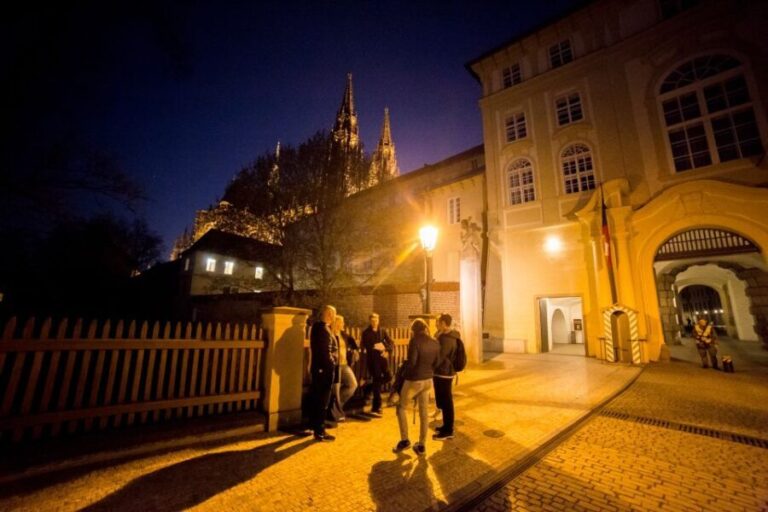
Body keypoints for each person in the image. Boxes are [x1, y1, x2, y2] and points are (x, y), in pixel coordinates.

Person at [393, 318, 440, 456]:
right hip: (428, 380)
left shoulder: (415, 341)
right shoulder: (434, 342)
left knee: (401, 408)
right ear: (425, 328)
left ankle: (405, 440)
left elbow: (412, 363)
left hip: (414, 380)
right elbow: (437, 363)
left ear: (413, 330)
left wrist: (404, 371)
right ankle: (421, 445)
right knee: (424, 413)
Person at [309, 305, 339, 441]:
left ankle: (315, 426)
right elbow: (324, 352)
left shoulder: (317, 327)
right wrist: (332, 362)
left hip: (319, 368)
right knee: (322, 400)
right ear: (327, 314)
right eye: (332, 314)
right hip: (324, 370)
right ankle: (320, 431)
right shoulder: (323, 329)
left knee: (317, 398)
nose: (333, 317)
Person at [327, 316, 359, 422]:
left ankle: (336, 407)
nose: (343, 324)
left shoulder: (344, 335)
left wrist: (355, 351)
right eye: (341, 322)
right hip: (334, 366)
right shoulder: (330, 334)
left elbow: (354, 344)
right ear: (336, 323)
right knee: (334, 390)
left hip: (344, 365)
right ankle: (333, 412)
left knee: (353, 385)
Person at [433, 314, 460, 441]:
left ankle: (448, 430)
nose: (436, 324)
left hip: (443, 372)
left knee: (446, 401)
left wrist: (430, 365)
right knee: (444, 400)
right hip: (444, 372)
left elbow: (439, 357)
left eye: (438, 322)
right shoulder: (449, 336)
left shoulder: (446, 339)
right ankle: (446, 426)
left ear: (444, 323)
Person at [361, 312, 393, 417]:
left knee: (389, 377)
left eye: (376, 320)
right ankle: (377, 407)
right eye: (372, 320)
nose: (374, 322)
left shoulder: (383, 331)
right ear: (370, 321)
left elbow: (391, 343)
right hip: (373, 361)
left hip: (383, 360)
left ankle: (369, 387)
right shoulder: (366, 333)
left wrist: (387, 350)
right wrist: (377, 346)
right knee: (377, 380)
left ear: (378, 320)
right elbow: (367, 345)